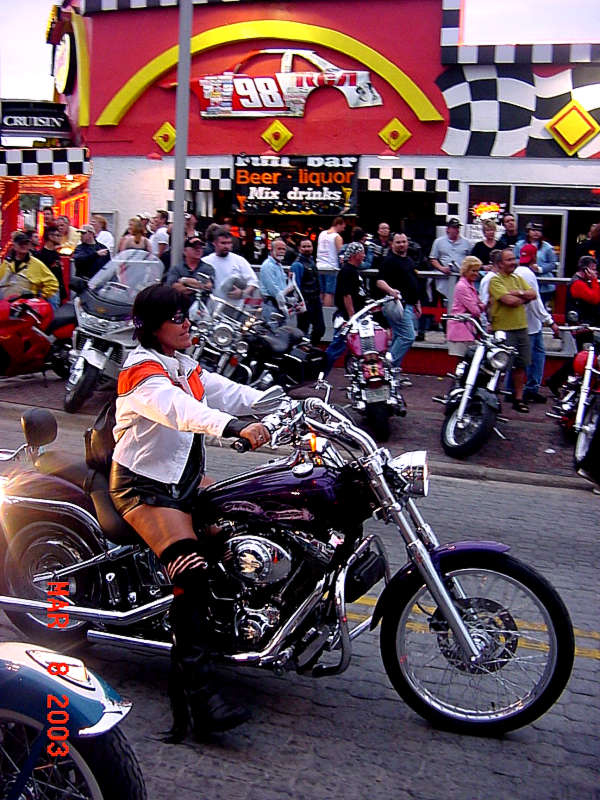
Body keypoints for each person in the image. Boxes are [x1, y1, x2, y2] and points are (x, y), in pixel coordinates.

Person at [109, 283, 270, 738]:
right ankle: (198, 701)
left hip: (182, 479)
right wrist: (234, 428)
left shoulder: (182, 365)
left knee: (237, 535)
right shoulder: (142, 373)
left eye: (187, 315)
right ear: (152, 326)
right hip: (145, 487)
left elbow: (230, 391)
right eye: (177, 317)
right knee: (192, 572)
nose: (187, 324)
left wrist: (291, 404)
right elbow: (180, 411)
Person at [488, 248, 537, 412]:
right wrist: (523, 298)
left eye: (514, 259)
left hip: (521, 327)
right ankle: (492, 398)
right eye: (509, 260)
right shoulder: (495, 280)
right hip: (503, 329)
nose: (513, 262)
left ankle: (518, 399)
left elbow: (533, 294)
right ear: (500, 263)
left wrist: (518, 293)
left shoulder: (517, 278)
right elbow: (509, 301)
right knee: (499, 366)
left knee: (521, 365)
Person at [546, 255, 600, 396]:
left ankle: (558, 381)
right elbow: (595, 298)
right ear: (586, 269)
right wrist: (595, 281)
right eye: (594, 269)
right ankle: (556, 381)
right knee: (584, 357)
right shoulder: (578, 284)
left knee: (584, 355)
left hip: (586, 325)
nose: (596, 272)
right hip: (582, 327)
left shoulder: (583, 282)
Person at [513, 247, 560, 404]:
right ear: (534, 258)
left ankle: (514, 389)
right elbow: (535, 301)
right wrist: (550, 321)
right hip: (531, 324)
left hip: (525, 322)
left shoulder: (517, 272)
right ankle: (527, 390)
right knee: (529, 359)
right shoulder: (529, 274)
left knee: (522, 358)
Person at [375, 233, 422, 384]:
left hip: (409, 305)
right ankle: (387, 369)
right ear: (392, 244)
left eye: (403, 242)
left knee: (398, 337)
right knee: (408, 336)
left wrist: (417, 303)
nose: (401, 244)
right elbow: (379, 281)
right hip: (396, 305)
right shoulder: (388, 261)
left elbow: (413, 283)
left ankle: (392, 374)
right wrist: (391, 291)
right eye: (398, 242)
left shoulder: (409, 260)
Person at [323, 242, 367, 373]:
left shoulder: (354, 271)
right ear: (355, 255)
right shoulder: (347, 271)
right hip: (347, 318)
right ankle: (320, 374)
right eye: (362, 252)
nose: (364, 255)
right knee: (336, 347)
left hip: (356, 316)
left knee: (353, 348)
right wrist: (352, 317)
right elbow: (346, 295)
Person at [201, 227, 258, 303]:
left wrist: (242, 293)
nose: (226, 246)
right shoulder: (206, 261)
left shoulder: (239, 260)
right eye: (223, 243)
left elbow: (253, 282)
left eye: (229, 243)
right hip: (213, 306)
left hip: (235, 307)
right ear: (214, 243)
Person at [0, 231, 59, 302]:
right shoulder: (6, 263)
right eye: (21, 243)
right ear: (14, 246)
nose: (24, 246)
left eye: (26, 243)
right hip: (5, 305)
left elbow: (53, 283)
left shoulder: (36, 264)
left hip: (26, 306)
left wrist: (40, 297)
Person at [446, 256, 486, 358]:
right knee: (462, 361)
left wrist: (479, 306)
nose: (476, 274)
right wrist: (479, 306)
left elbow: (479, 305)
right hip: (461, 331)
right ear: (466, 270)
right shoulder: (462, 286)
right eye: (473, 271)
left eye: (477, 271)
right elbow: (475, 310)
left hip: (469, 330)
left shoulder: (470, 284)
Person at [290, 238, 325, 345]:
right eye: (304, 246)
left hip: (315, 301)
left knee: (320, 328)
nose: (307, 249)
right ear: (299, 248)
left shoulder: (311, 261)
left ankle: (311, 348)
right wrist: (300, 303)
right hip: (305, 302)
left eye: (309, 246)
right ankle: (300, 351)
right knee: (302, 329)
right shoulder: (297, 265)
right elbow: (295, 286)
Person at [429, 218, 472, 303]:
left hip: (460, 279)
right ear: (448, 229)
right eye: (454, 227)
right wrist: (441, 268)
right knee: (443, 301)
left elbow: (471, 260)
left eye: (458, 227)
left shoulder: (467, 243)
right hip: (444, 278)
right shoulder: (438, 242)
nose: (457, 230)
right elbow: (433, 259)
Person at [514, 221, 557, 304]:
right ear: (528, 231)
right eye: (533, 230)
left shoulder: (548, 247)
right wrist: (525, 265)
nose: (536, 232)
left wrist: (540, 269)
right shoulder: (519, 245)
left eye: (539, 230)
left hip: (543, 284)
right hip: (524, 279)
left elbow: (552, 264)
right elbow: (514, 259)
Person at [316, 216, 345, 307]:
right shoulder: (337, 237)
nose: (343, 229)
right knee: (329, 292)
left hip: (319, 266)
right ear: (338, 224)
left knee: (321, 291)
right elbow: (340, 254)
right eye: (343, 227)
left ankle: (320, 311)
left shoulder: (322, 234)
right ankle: (327, 313)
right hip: (331, 267)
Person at [259, 238, 288, 327]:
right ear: (271, 250)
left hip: (278, 303)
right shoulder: (268, 266)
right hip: (271, 304)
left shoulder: (278, 265)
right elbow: (273, 288)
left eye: (283, 249)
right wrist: (283, 303)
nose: (282, 251)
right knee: (273, 332)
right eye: (279, 249)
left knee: (281, 331)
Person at [35, 224, 67, 307]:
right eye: (57, 235)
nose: (60, 238)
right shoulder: (41, 255)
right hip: (48, 291)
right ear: (50, 236)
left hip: (57, 290)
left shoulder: (56, 254)